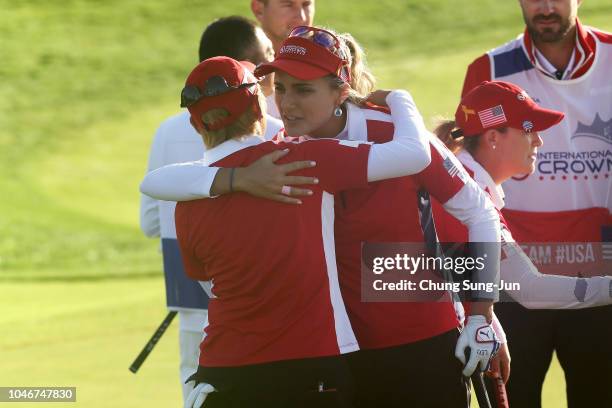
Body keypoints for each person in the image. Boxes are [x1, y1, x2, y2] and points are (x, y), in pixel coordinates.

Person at [141, 26, 504, 407]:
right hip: (337, 359)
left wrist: (482, 314)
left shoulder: (397, 134)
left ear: (340, 91)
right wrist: (236, 178)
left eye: (303, 90)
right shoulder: (278, 153)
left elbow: (480, 214)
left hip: (420, 346)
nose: (287, 104)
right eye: (279, 89)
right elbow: (170, 180)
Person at [172, 55, 432, 407]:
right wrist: (399, 98)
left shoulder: (186, 201)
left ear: (196, 125)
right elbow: (414, 154)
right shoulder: (305, 157)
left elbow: (205, 281)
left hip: (225, 372)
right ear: (258, 109)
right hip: (311, 369)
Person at [461, 1, 612, 406]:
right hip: (514, 281)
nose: (545, 7)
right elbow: (474, 174)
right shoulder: (488, 69)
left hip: (598, 271)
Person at [139, 16, 283, 402]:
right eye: (266, 57)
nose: (273, 66)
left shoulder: (167, 129)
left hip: (183, 275)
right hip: (251, 281)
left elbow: (151, 222)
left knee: (195, 381)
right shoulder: (271, 126)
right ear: (244, 66)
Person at [433, 80, 612, 387]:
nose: (539, 142)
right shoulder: (470, 188)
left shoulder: (466, 177)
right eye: (529, 129)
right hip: (412, 343)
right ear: (492, 137)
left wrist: (492, 326)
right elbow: (530, 288)